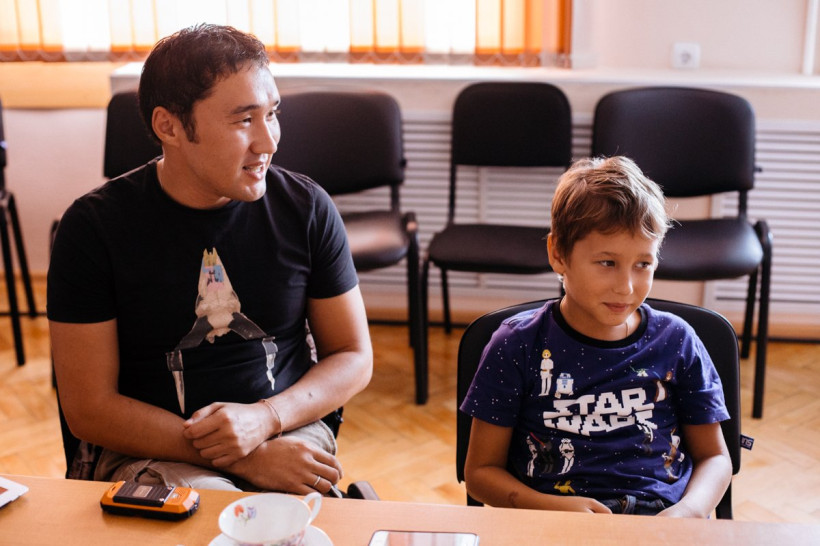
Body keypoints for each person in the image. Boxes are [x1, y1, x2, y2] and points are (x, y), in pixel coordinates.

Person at [47, 24, 373, 494]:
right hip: (150, 448)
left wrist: (265, 419)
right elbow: (89, 409)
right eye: (244, 121)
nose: (268, 142)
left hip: (284, 428)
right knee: (212, 512)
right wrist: (246, 457)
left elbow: (353, 355)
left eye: (272, 114)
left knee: (276, 520)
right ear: (169, 126)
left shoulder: (306, 208)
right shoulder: (93, 228)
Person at [460, 156, 732, 517]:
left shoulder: (677, 341)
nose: (626, 287)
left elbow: (715, 457)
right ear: (558, 254)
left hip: (663, 519)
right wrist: (553, 509)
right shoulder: (516, 345)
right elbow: (480, 473)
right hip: (551, 521)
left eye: (643, 264)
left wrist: (690, 512)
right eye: (607, 263)